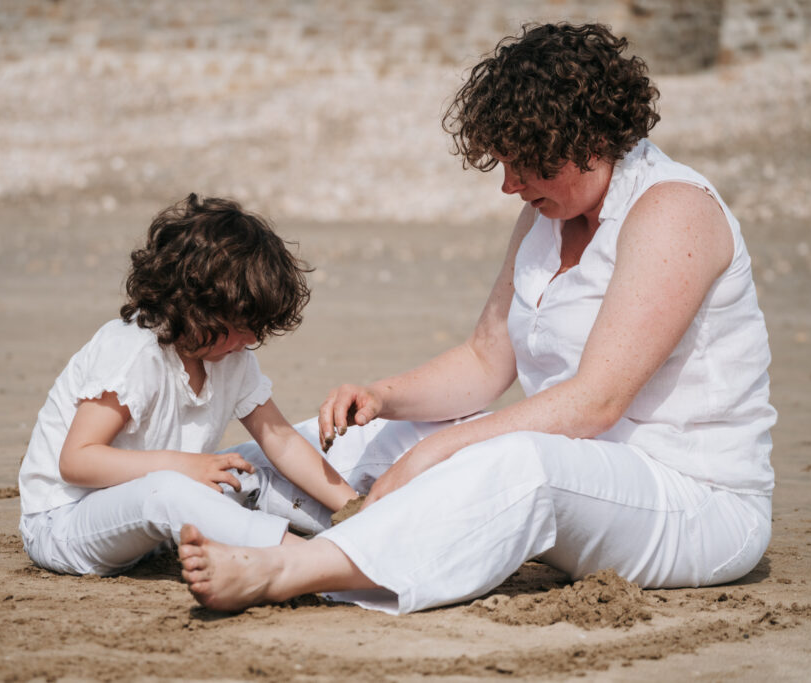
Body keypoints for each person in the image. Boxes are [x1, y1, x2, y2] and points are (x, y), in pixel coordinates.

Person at [178, 22, 777, 614]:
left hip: (695, 504)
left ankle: (287, 569)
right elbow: (485, 361)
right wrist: (381, 397)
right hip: (583, 474)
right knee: (374, 437)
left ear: (586, 140)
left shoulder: (673, 211)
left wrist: (437, 455)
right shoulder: (545, 215)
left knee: (515, 461)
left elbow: (595, 404)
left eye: (526, 164)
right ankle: (177, 505)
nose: (510, 186)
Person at [18, 194, 357, 576]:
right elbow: (76, 461)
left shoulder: (232, 359)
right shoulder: (134, 351)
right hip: (66, 522)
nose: (246, 342)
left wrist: (352, 503)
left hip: (152, 521)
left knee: (249, 471)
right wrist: (183, 467)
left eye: (254, 331)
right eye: (235, 329)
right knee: (170, 490)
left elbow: (282, 441)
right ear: (192, 305)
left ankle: (359, 532)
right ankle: (312, 563)